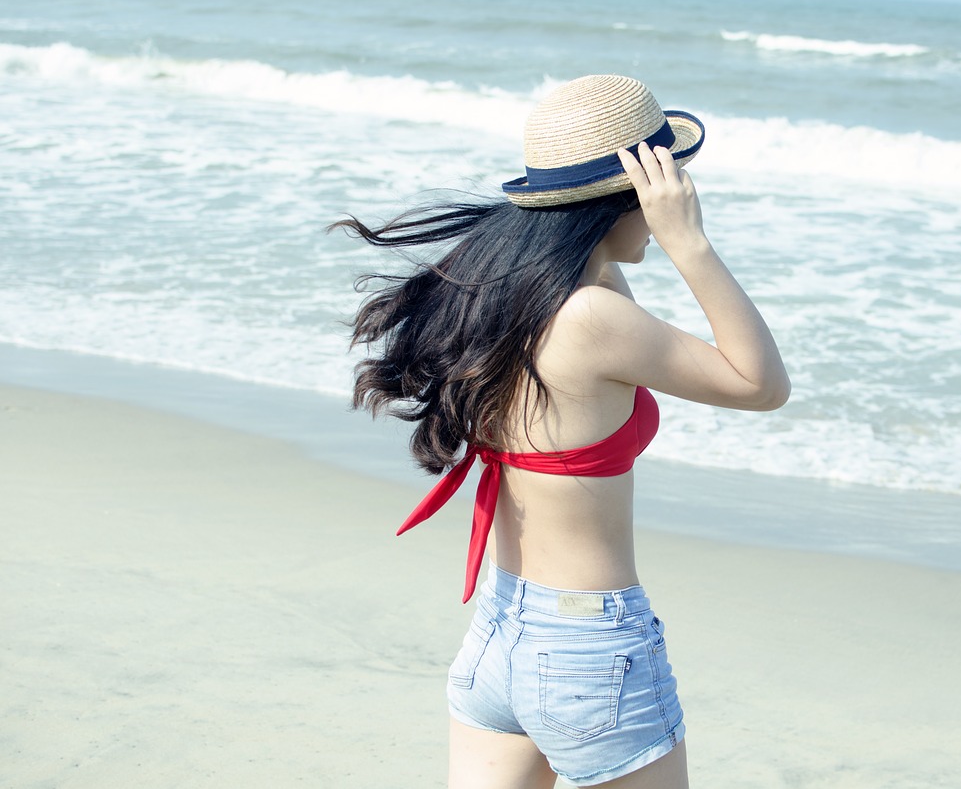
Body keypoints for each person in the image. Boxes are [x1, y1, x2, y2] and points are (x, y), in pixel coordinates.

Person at [332, 74, 789, 788]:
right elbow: (761, 384)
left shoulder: (507, 295)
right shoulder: (591, 320)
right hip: (589, 650)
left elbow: (604, 279)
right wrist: (689, 243)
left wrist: (618, 228)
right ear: (632, 194)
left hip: (499, 636)